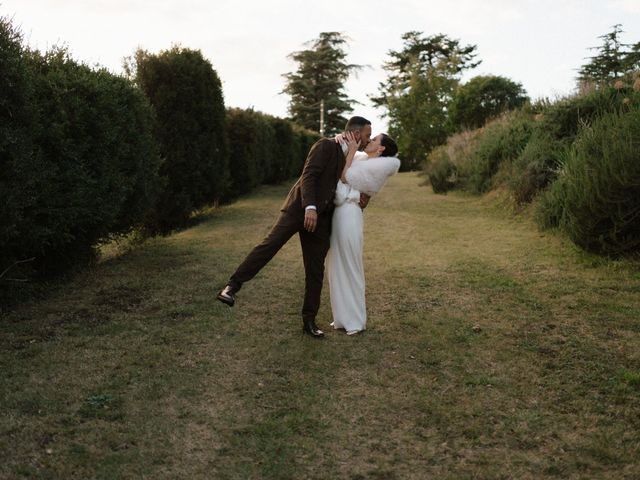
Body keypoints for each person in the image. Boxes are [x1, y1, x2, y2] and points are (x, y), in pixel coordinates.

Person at [217, 116, 373, 338]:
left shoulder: (353, 155)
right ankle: (232, 287)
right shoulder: (325, 145)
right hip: (299, 209)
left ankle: (309, 322)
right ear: (356, 134)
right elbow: (308, 175)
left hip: (321, 220)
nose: (368, 139)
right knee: (269, 245)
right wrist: (309, 207)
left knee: (315, 270)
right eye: (367, 134)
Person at [326, 132, 400, 335]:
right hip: (338, 214)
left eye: (374, 139)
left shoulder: (377, 168)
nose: (369, 141)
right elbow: (340, 154)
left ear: (381, 148)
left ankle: (355, 320)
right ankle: (341, 318)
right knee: (335, 265)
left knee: (350, 265)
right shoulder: (360, 158)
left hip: (350, 215)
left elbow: (345, 176)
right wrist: (342, 139)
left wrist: (350, 153)